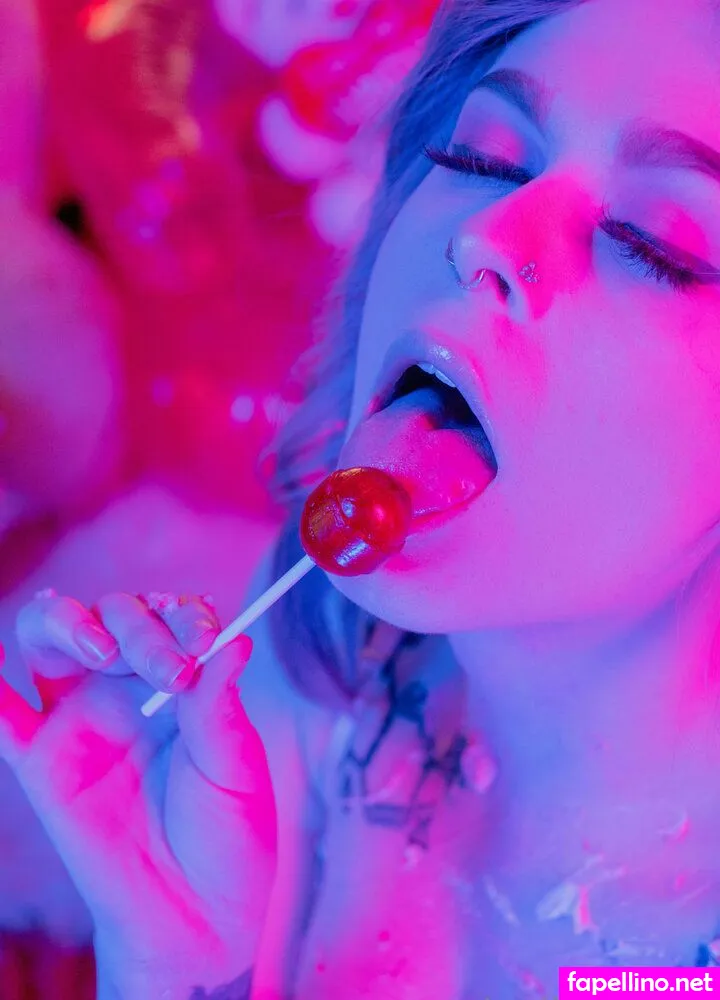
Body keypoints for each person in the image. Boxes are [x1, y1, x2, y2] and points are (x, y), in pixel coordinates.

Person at [5, 0, 720, 995]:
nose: (486, 234)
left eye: (655, 242)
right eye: (480, 157)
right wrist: (168, 963)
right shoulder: (323, 643)